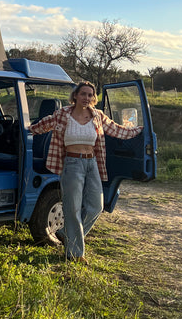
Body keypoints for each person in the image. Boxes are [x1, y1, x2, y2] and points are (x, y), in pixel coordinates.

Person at [30, 81, 143, 263]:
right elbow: (41, 125)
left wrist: (140, 131)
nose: (87, 98)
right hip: (72, 163)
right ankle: (75, 254)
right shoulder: (62, 115)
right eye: (83, 94)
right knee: (72, 208)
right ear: (75, 95)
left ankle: (66, 233)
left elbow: (117, 130)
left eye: (90, 95)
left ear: (93, 98)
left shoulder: (97, 116)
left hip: (92, 163)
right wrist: (25, 131)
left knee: (96, 206)